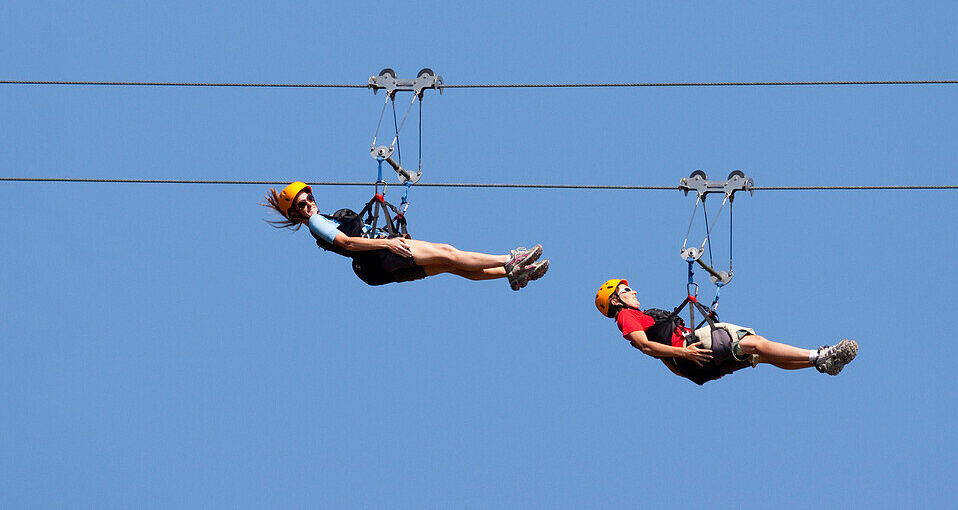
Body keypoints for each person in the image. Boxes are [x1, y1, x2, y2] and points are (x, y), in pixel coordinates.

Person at [264, 182, 548, 290]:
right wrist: (387, 241)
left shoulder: (324, 218)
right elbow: (347, 243)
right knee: (449, 252)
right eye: (301, 205)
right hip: (385, 254)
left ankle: (514, 272)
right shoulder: (315, 222)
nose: (309, 204)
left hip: (381, 268)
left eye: (309, 198)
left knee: (451, 266)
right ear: (296, 215)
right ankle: (510, 258)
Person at [595, 279, 857, 381]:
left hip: (697, 362)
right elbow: (646, 346)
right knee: (754, 344)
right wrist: (686, 355)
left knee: (762, 355)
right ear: (616, 301)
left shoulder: (641, 318)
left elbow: (662, 357)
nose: (634, 291)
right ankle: (822, 354)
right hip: (694, 351)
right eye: (627, 290)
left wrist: (691, 370)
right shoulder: (627, 316)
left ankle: (823, 363)